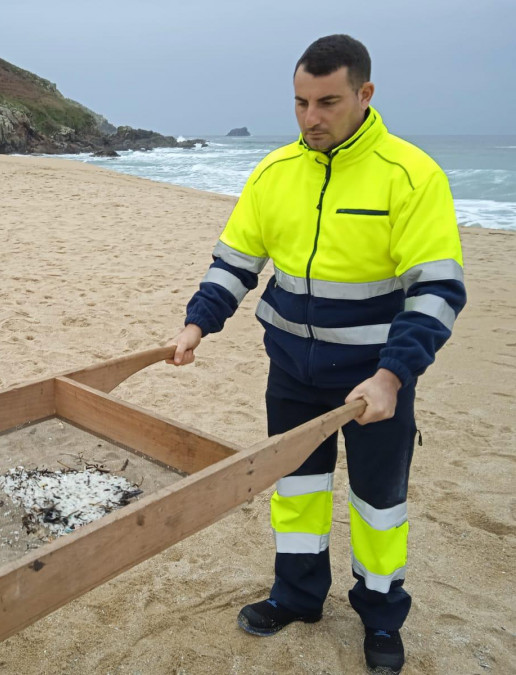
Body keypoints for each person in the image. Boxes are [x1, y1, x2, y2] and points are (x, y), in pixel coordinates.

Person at [168, 34, 466, 674]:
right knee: (297, 493)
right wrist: (198, 324)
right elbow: (236, 263)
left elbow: (437, 293)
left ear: (364, 94)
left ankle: (381, 617)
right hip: (292, 377)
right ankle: (298, 597)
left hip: (373, 386)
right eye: (301, 102)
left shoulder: (411, 176)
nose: (311, 118)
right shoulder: (275, 172)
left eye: (328, 102)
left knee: (378, 507)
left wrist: (391, 376)